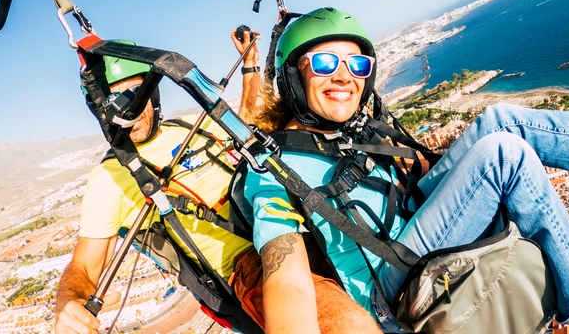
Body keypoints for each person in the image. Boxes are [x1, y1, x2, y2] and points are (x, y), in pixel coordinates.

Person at [235, 7, 569, 334]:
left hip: (412, 228)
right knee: (502, 153)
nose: (345, 76)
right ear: (294, 76)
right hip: (392, 280)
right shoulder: (274, 168)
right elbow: (288, 280)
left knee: (499, 120)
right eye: (324, 62)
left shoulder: (347, 133)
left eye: (357, 63)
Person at [55, 38, 380, 334]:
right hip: (249, 260)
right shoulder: (110, 179)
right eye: (112, 101)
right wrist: (69, 303)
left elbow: (248, 125)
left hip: (290, 212)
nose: (127, 110)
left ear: (152, 95)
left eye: (134, 94)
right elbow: (84, 264)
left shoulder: (190, 125)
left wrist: (250, 63)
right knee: (341, 322)